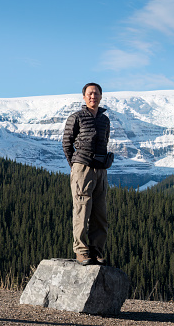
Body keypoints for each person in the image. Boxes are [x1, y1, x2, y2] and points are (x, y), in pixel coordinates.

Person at [62, 82, 110, 266]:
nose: (93, 96)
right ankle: (82, 252)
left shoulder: (105, 120)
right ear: (84, 97)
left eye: (96, 93)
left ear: (100, 96)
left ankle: (97, 252)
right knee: (82, 210)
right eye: (90, 93)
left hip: (101, 169)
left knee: (100, 212)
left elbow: (105, 140)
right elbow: (67, 144)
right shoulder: (76, 117)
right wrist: (75, 165)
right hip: (82, 168)